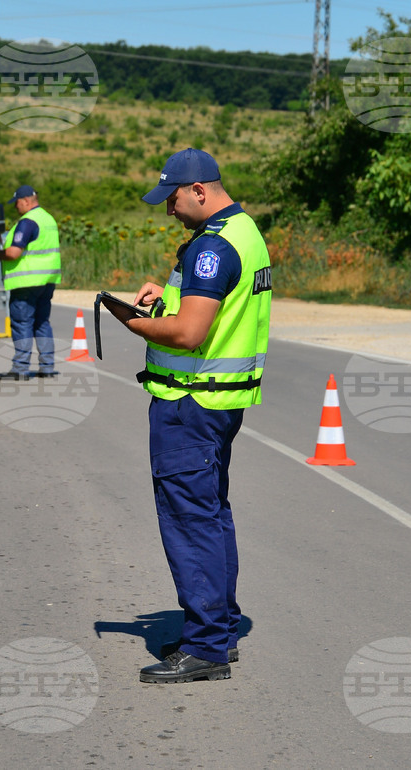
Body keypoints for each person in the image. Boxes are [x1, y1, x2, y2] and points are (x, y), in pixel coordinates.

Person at [109, 148, 272, 684]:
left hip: (190, 403)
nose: (170, 210)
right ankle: (219, 631)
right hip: (218, 402)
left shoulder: (213, 248)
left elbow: (189, 333)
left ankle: (205, 647)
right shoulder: (243, 232)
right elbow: (202, 310)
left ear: (199, 190)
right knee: (211, 515)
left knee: (189, 521)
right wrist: (167, 296)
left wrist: (136, 323)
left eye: (173, 200)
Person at [0, 184, 62, 379]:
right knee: (41, 322)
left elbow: (13, 253)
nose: (16, 208)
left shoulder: (28, 221)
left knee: (22, 323)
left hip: (26, 282)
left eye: (17, 204)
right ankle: (47, 366)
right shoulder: (48, 219)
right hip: (47, 281)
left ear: (26, 201)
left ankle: (21, 368)